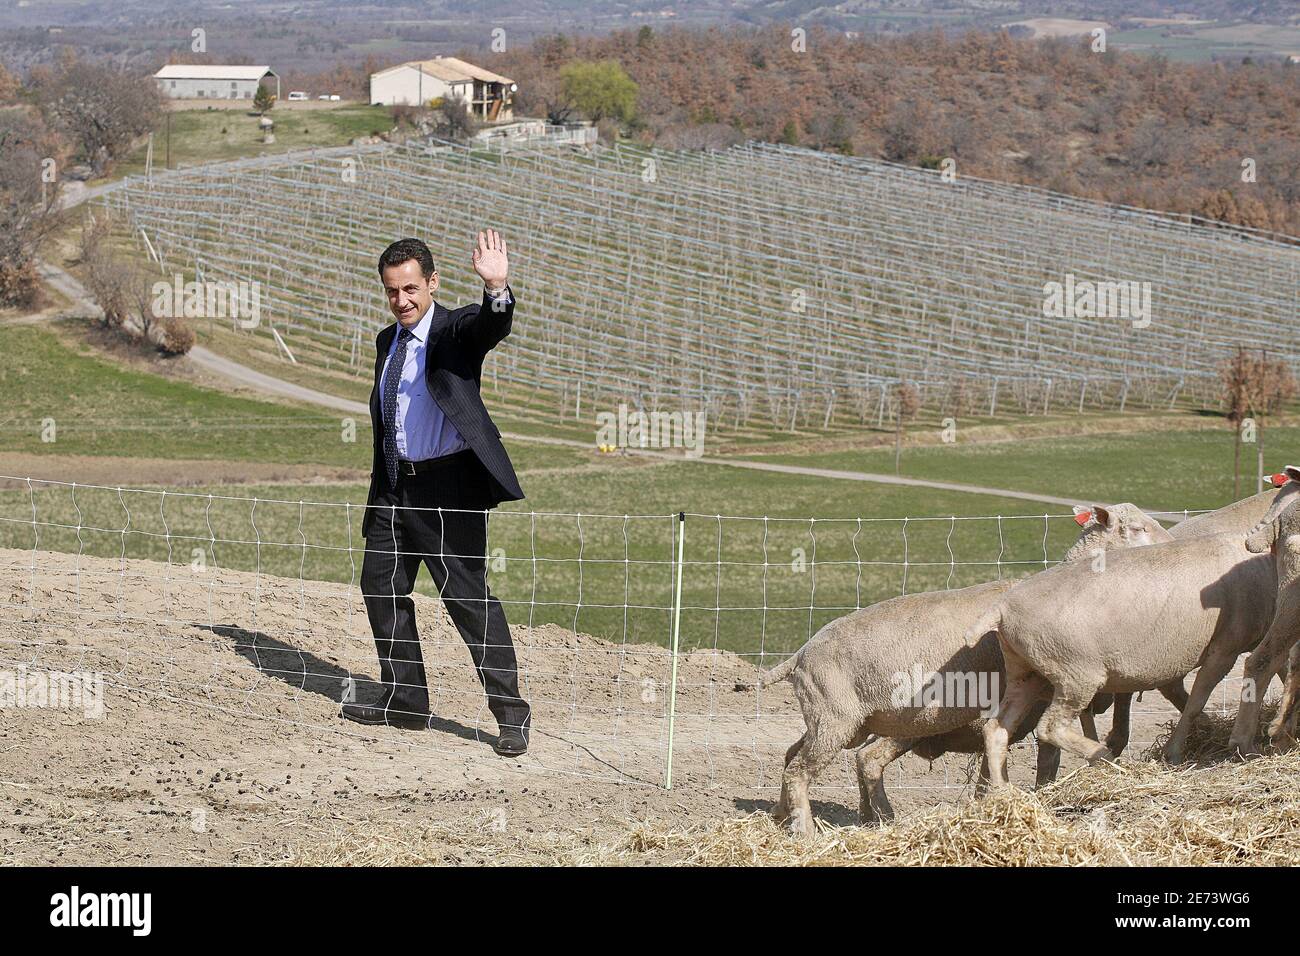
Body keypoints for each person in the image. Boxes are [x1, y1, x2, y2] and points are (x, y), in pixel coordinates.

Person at [342, 232, 531, 757]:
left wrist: (497, 286)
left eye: (410, 289)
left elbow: (491, 325)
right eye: (391, 291)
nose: (401, 300)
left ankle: (511, 714)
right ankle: (406, 700)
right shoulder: (388, 342)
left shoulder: (454, 331)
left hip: (449, 490)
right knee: (379, 585)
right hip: (393, 488)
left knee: (468, 600)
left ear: (432, 283)